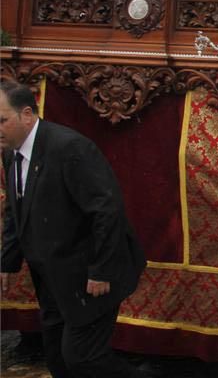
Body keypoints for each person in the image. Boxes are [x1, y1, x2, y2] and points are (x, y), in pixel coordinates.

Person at [0, 81, 146, 378]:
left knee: (82, 358)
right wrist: (7, 260)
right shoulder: (10, 152)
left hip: (90, 275)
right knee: (56, 358)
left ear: (26, 114)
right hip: (54, 276)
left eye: (1, 120)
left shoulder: (69, 148)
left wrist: (101, 270)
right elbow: (17, 209)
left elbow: (107, 210)